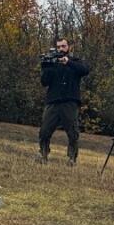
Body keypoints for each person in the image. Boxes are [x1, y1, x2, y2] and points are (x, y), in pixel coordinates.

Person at [39, 37, 90, 165]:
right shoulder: (52, 62)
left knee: (72, 132)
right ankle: (43, 155)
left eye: (63, 46)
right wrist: (46, 67)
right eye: (59, 47)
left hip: (70, 101)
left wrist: (68, 62)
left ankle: (72, 158)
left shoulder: (75, 61)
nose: (61, 49)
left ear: (68, 47)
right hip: (53, 101)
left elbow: (85, 70)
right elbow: (44, 82)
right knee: (44, 130)